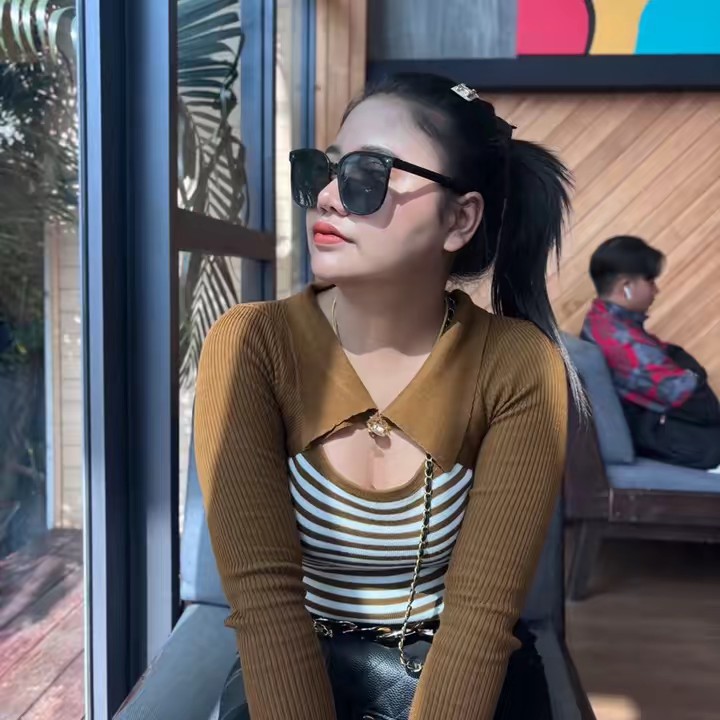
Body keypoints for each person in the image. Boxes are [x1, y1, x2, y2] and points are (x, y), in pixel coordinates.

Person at [194, 73, 576, 720]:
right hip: (300, 664)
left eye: (369, 175)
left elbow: (480, 620)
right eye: (323, 170)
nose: (328, 197)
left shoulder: (518, 364)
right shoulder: (251, 343)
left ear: (459, 219)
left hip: (451, 672)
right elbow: (265, 604)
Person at [582, 235, 720, 470]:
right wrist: (693, 372)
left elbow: (674, 356)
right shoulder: (623, 343)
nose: (656, 290)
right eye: (650, 281)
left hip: (655, 427)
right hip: (664, 439)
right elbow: (701, 405)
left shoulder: (601, 320)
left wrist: (685, 367)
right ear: (626, 287)